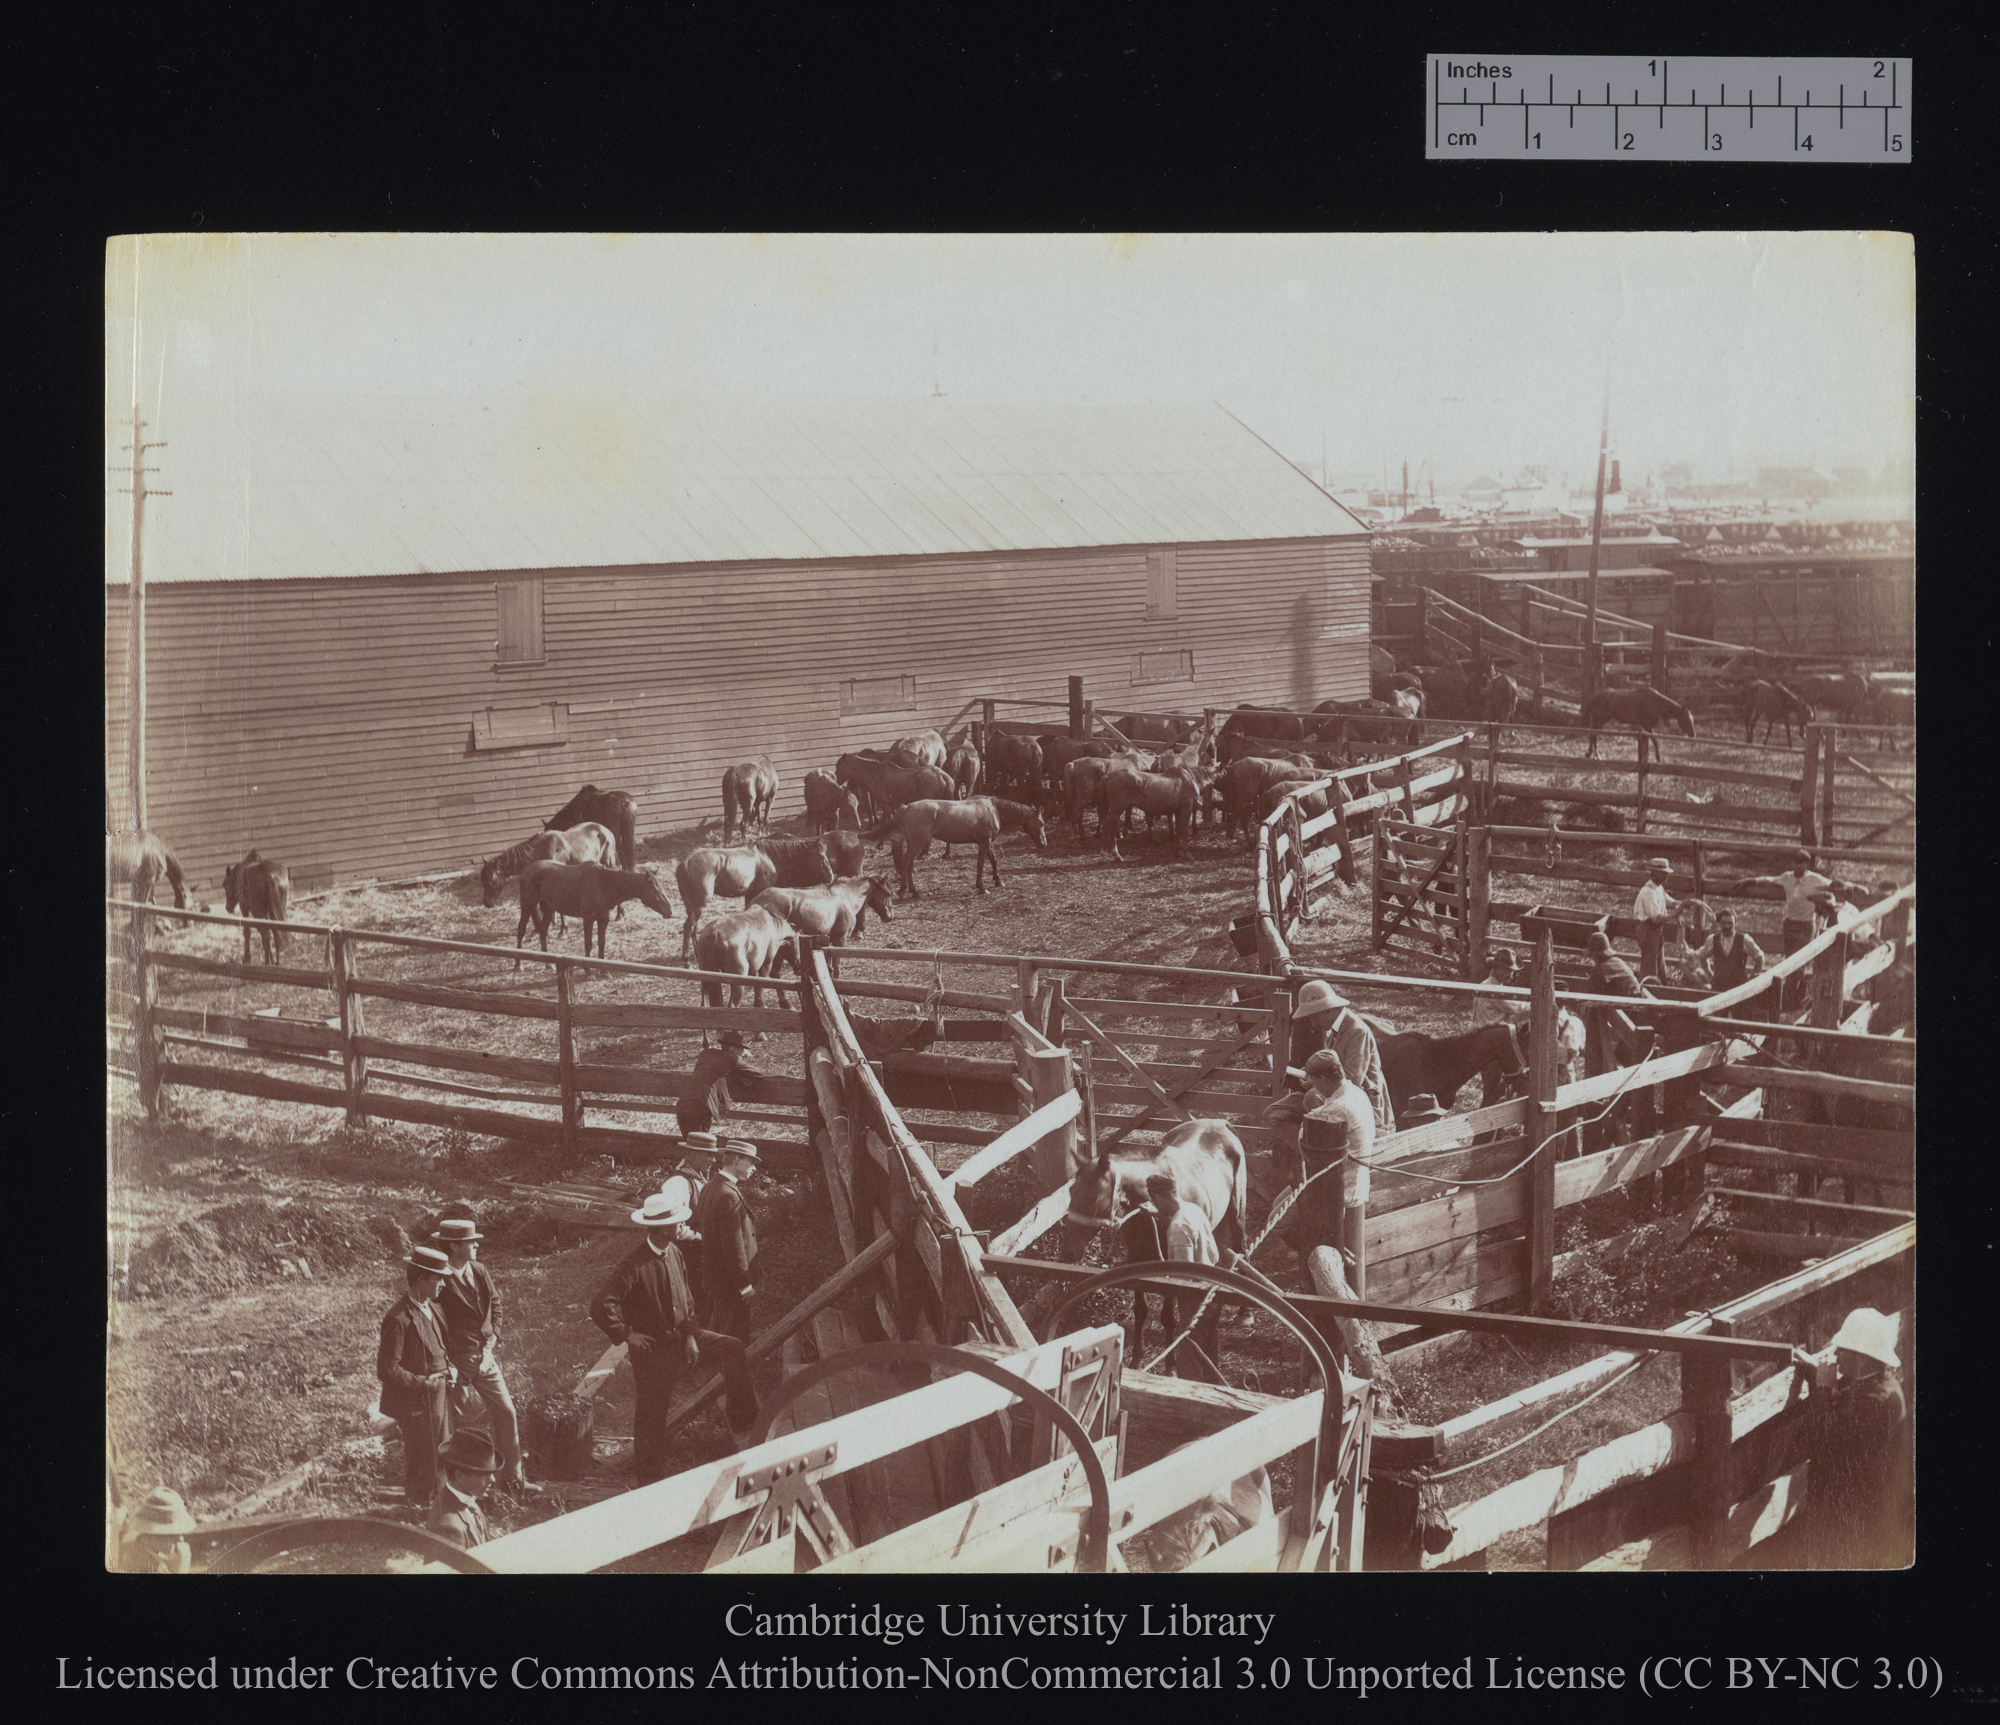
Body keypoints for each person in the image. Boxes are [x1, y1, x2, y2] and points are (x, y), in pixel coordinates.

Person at [590, 1191, 703, 1486]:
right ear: (662, 1228)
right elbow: (602, 1304)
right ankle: (649, 1482)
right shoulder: (633, 1265)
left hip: (679, 1341)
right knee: (651, 1418)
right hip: (653, 1353)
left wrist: (691, 1336)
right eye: (676, 1222)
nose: (681, 1226)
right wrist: (627, 1334)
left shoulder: (675, 1252)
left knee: (731, 1349)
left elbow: (687, 1297)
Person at [431, 1216, 538, 1494]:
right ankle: (466, 1488)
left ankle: (514, 1481)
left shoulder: (478, 1270)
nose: (477, 1246)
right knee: (463, 1428)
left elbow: (496, 1303)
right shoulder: (438, 1279)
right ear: (454, 1246)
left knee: (506, 1413)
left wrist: (493, 1340)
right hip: (456, 1365)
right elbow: (431, 1327)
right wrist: (447, 1365)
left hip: (485, 1359)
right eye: (471, 1242)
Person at [1798, 1308, 1912, 1568]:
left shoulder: (1874, 1402)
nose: (1836, 1355)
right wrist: (1812, 1372)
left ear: (1863, 1357)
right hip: (1859, 1516)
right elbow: (1846, 1398)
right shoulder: (1876, 1383)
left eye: (1843, 1349)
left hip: (1854, 1529)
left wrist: (1823, 1389)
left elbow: (1820, 1439)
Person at [376, 1245, 455, 1510]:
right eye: (438, 1278)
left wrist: (449, 1367)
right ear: (421, 1279)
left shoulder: (434, 1307)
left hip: (439, 1394)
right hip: (416, 1402)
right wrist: (422, 1384)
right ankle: (419, 1509)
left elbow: (440, 1347)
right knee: (422, 1456)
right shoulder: (398, 1319)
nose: (443, 1284)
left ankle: (439, 1507)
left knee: (441, 1450)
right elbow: (387, 1369)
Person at [1738, 849, 1851, 1011]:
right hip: (1789, 924)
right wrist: (1751, 880)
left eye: (1802, 863)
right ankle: (1796, 1000)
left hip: (1805, 926)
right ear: (1792, 864)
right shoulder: (1787, 877)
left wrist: (1853, 886)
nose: (1799, 867)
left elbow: (1835, 885)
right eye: (1796, 863)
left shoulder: (1814, 879)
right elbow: (1769, 880)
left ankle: (1788, 1004)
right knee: (1789, 959)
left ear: (1806, 864)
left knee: (1797, 964)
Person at [1146, 1171, 1223, 1382]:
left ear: (1158, 1198)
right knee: (1208, 1354)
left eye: (1155, 1200)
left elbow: (1184, 1279)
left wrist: (1162, 1281)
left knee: (1189, 1357)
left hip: (1194, 1299)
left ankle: (1193, 1406)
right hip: (1213, 1291)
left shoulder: (1178, 1228)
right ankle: (1214, 1399)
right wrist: (1159, 1214)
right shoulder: (1194, 1210)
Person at [1291, 979, 1394, 1133]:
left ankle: (1322, 1151)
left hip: (1364, 1106)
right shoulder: (1335, 1030)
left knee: (1312, 1097)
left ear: (1327, 1010)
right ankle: (1310, 1150)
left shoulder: (1356, 1031)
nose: (1313, 1024)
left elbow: (1352, 1080)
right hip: (1337, 1098)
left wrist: (1314, 1082)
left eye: (1314, 1018)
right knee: (1276, 1112)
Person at [692, 1139, 762, 1344]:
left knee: (720, 1323)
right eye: (751, 1162)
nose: (754, 1168)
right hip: (730, 1280)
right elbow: (733, 1246)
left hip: (716, 1276)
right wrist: (744, 1284)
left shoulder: (711, 1187)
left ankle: (714, 1364)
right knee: (734, 1332)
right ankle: (732, 1373)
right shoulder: (727, 1194)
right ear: (738, 1160)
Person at [427, 1428, 502, 1550]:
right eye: (484, 1474)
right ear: (459, 1476)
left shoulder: (468, 1502)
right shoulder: (449, 1527)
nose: (492, 1480)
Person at [678, 1032, 750, 1139]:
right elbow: (758, 1072)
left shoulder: (706, 1053)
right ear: (732, 1048)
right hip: (701, 1103)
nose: (741, 1053)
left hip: (684, 1102)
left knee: (689, 1142)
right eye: (740, 1049)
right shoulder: (732, 1059)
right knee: (700, 1144)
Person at [1691, 907, 1767, 995]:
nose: (1727, 926)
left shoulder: (1744, 939)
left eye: (1730, 923)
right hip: (1718, 987)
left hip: (1739, 988)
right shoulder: (1712, 939)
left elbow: (1760, 957)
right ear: (1719, 923)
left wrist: (1753, 976)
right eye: (1723, 923)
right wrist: (1709, 974)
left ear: (1736, 923)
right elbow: (1702, 956)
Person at [119, 1487, 196, 1574]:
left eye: (180, 1533)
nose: (180, 1539)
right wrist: (181, 1570)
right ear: (150, 1534)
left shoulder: (157, 1556)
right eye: (171, 1534)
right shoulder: (130, 1561)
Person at [1632, 858, 1679, 985]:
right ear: (1653, 872)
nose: (1666, 876)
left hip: (1657, 930)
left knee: (1659, 962)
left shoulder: (1659, 888)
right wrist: (1674, 914)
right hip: (1649, 929)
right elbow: (1657, 918)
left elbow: (1669, 900)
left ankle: (1660, 989)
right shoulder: (1649, 892)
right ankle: (1647, 990)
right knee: (1649, 964)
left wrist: (1682, 904)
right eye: (1663, 873)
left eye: (1667, 873)